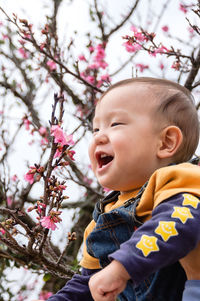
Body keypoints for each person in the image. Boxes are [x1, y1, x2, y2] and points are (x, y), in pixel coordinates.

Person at [36, 77, 200, 301]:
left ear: (166, 142)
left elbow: (177, 223)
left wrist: (122, 266)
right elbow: (90, 282)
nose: (99, 136)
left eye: (116, 124)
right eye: (95, 128)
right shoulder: (102, 217)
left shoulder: (179, 179)